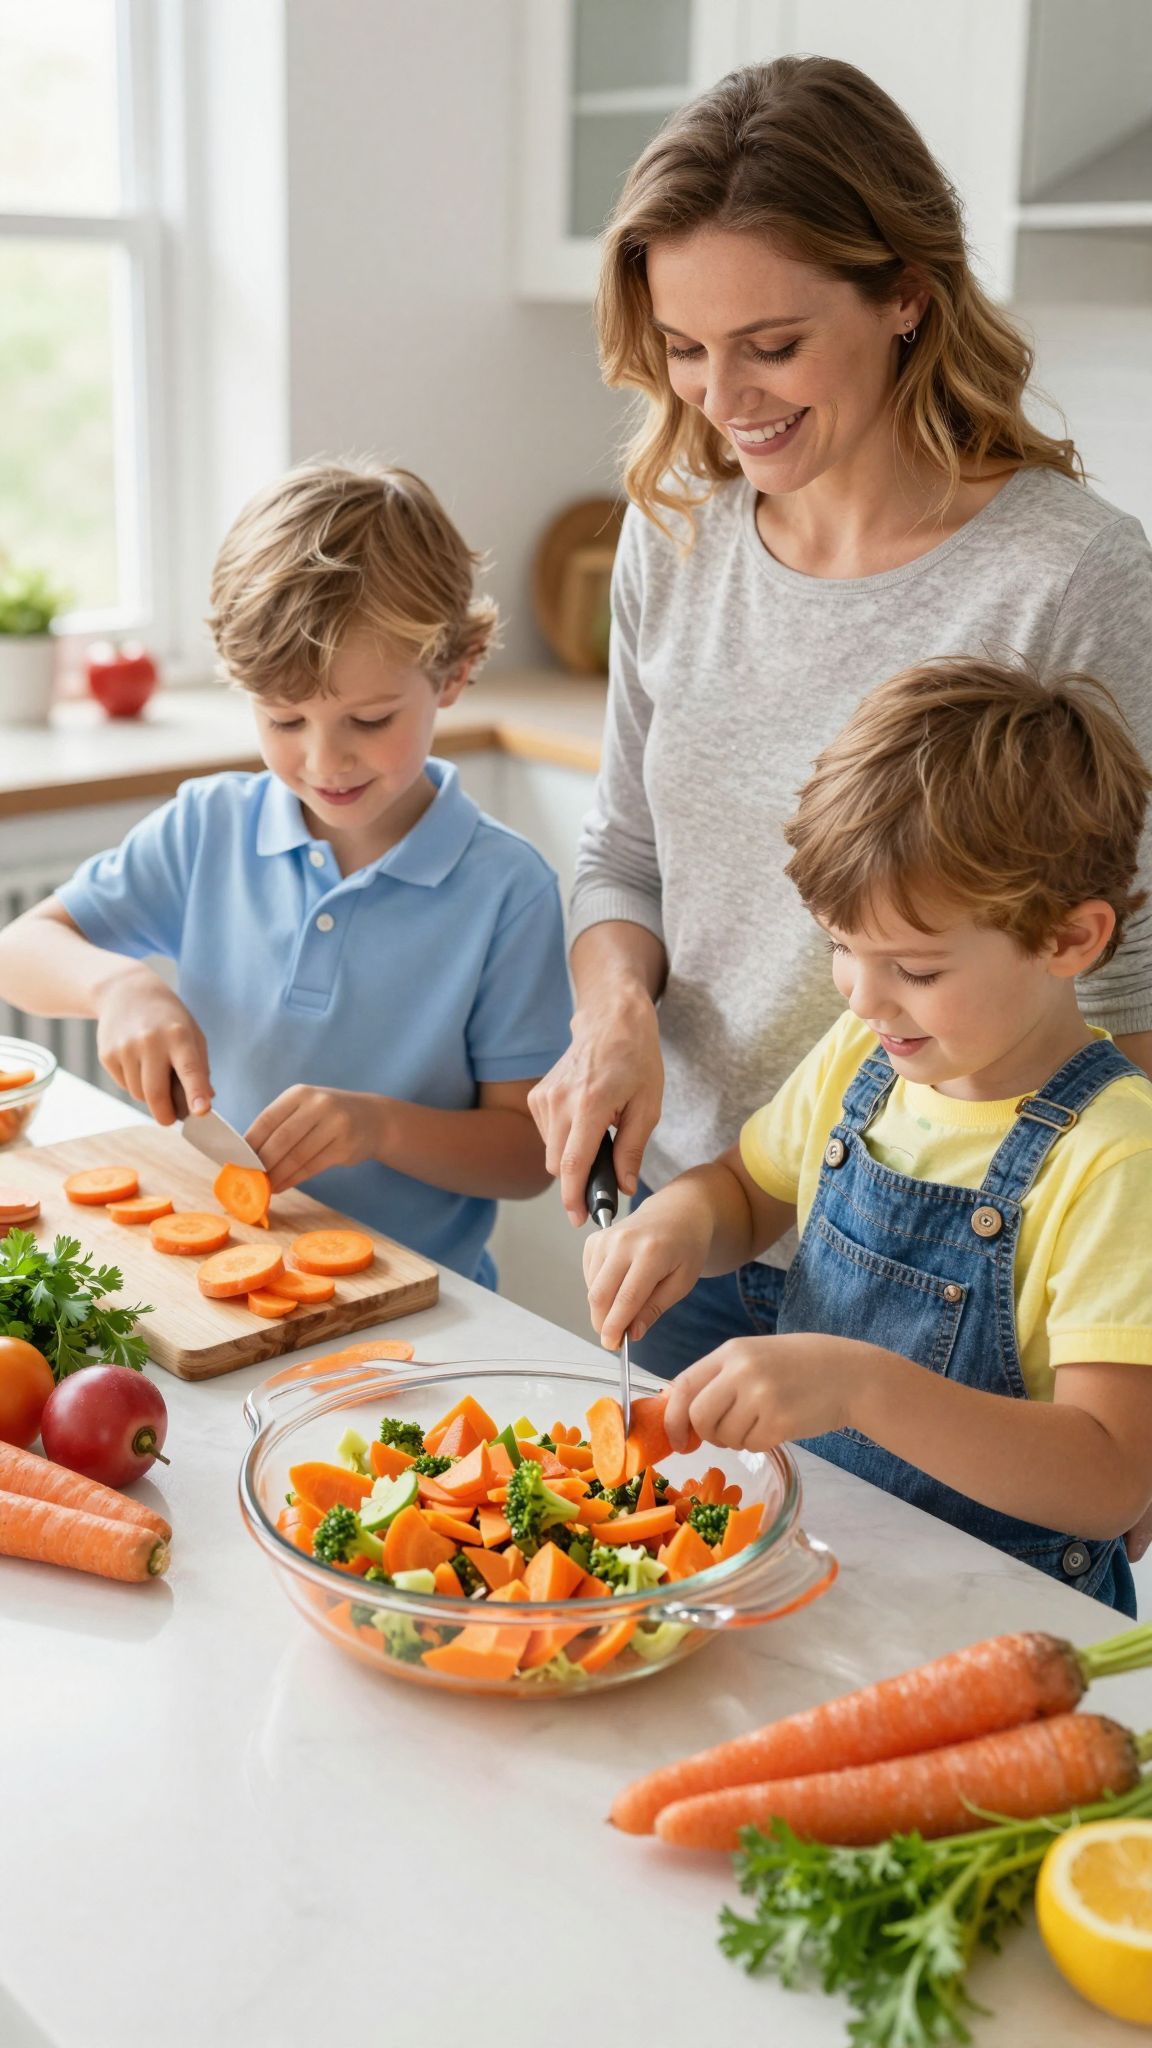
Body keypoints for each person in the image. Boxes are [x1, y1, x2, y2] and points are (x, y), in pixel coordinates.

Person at [528, 55, 1152, 1388]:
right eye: (684, 350)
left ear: (907, 295)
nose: (721, 398)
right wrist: (614, 1019)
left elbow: (1128, 992)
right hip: (691, 1215)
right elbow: (623, 855)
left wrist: (1103, 1355)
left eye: (773, 345)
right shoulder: (675, 533)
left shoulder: (1070, 579)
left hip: (946, 1266)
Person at [584, 660, 1152, 1613]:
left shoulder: (1116, 1156)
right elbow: (748, 1190)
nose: (859, 993)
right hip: (833, 1578)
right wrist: (680, 1221)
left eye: (916, 968)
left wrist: (861, 1389)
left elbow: (1112, 1481)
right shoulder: (868, 1054)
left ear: (1068, 940)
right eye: (840, 946)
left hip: (1006, 1626)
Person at [0, 461, 571, 1286]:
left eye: (368, 720)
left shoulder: (506, 891)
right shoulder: (211, 828)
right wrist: (116, 987)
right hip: (217, 1269)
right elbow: (22, 947)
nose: (321, 759)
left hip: (416, 1303)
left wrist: (380, 1128)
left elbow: (528, 1154)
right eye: (283, 718)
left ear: (454, 672)